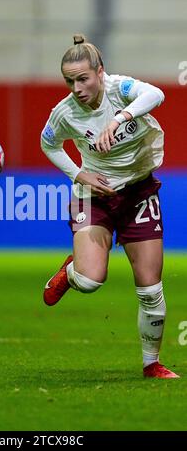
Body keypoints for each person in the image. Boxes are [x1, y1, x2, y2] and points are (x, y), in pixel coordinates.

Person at [41, 34, 179, 379]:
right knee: (89, 282)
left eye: (83, 78)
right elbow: (48, 143)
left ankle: (152, 364)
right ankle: (71, 272)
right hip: (94, 196)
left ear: (100, 73)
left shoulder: (121, 89)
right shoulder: (64, 113)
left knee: (150, 288)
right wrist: (79, 174)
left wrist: (117, 119)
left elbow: (157, 94)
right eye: (69, 81)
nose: (76, 87)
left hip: (139, 192)